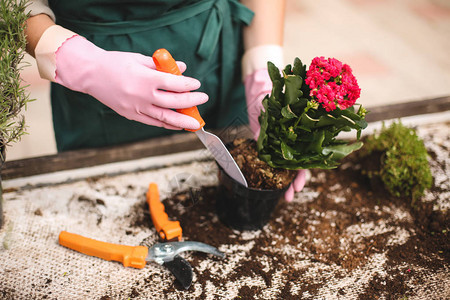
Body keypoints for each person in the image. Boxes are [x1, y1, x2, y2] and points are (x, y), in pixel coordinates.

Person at [25, 0, 305, 201]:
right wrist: (83, 65)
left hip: (221, 50)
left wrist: (262, 71)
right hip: (104, 71)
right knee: (107, 197)